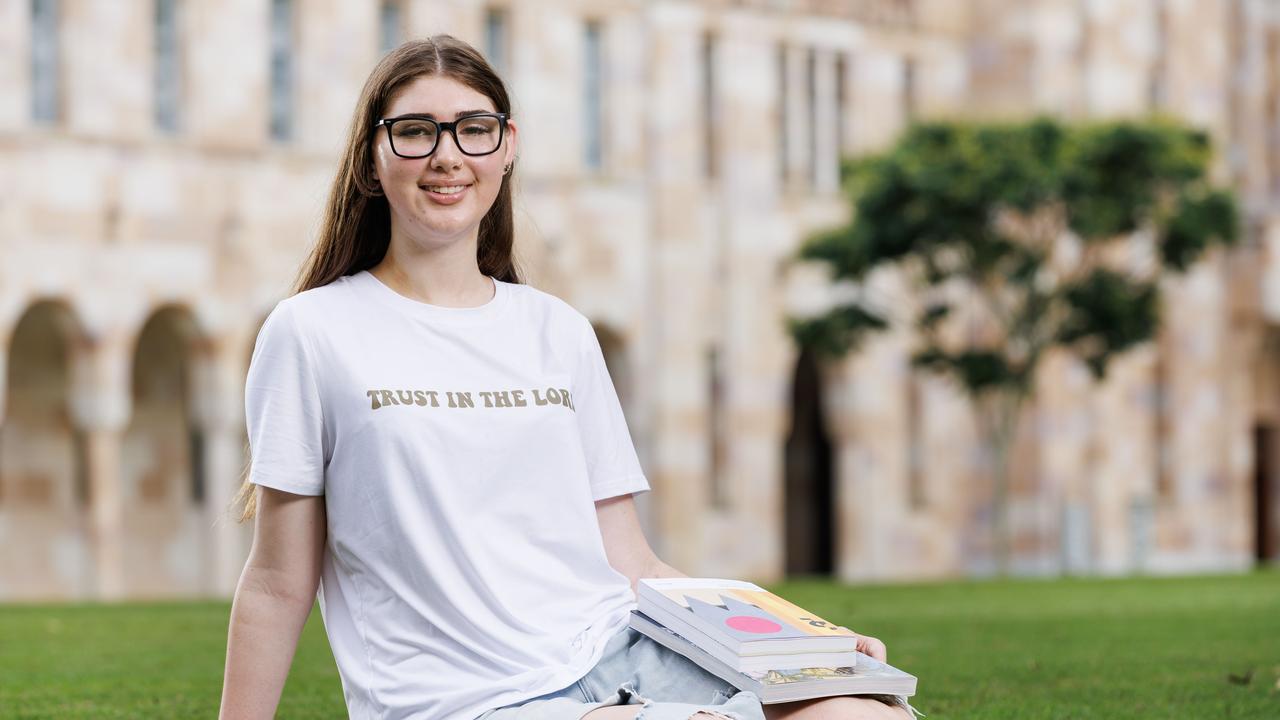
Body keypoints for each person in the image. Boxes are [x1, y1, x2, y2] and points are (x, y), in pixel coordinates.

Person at [218, 35, 913, 720]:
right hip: (464, 700)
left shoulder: (558, 331)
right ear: (374, 155)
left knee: (864, 715)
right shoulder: (311, 331)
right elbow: (280, 582)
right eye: (416, 132)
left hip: (620, 653)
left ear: (507, 146)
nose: (447, 156)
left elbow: (631, 561)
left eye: (473, 131)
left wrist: (805, 647)